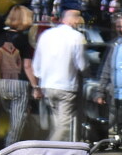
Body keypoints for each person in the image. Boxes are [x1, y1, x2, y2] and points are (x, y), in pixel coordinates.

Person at [33, 8, 89, 141]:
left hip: (48, 85)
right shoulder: (77, 37)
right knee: (64, 126)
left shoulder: (46, 35)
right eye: (78, 19)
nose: (79, 22)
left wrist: (39, 82)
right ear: (73, 20)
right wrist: (87, 72)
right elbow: (81, 64)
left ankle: (57, 154)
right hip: (66, 86)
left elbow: (37, 64)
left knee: (57, 124)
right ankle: (48, 151)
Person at [0, 5, 40, 147]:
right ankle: (9, 149)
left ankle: (5, 144)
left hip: (2, 83)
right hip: (19, 84)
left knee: (10, 117)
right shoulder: (24, 41)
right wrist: (36, 86)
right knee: (17, 122)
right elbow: (27, 66)